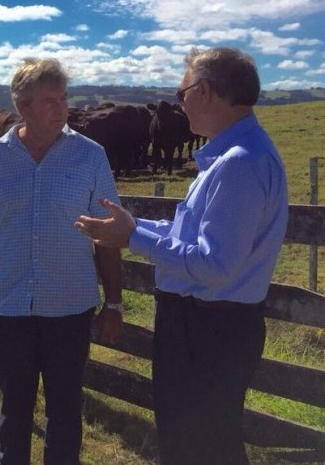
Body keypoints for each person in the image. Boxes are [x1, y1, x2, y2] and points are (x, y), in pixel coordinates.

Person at [74, 47, 288, 465]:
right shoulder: (234, 157)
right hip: (211, 326)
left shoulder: (238, 165)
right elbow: (191, 238)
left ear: (204, 91)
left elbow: (214, 265)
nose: (179, 102)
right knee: (203, 441)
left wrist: (133, 240)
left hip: (206, 328)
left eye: (182, 91)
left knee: (197, 446)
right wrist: (132, 228)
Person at [0, 58, 124, 465]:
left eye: (63, 98)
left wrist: (115, 304)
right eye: (49, 100)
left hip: (70, 307)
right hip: (10, 306)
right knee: (13, 410)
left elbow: (107, 235)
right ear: (23, 107)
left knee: (66, 411)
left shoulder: (90, 156)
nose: (61, 108)